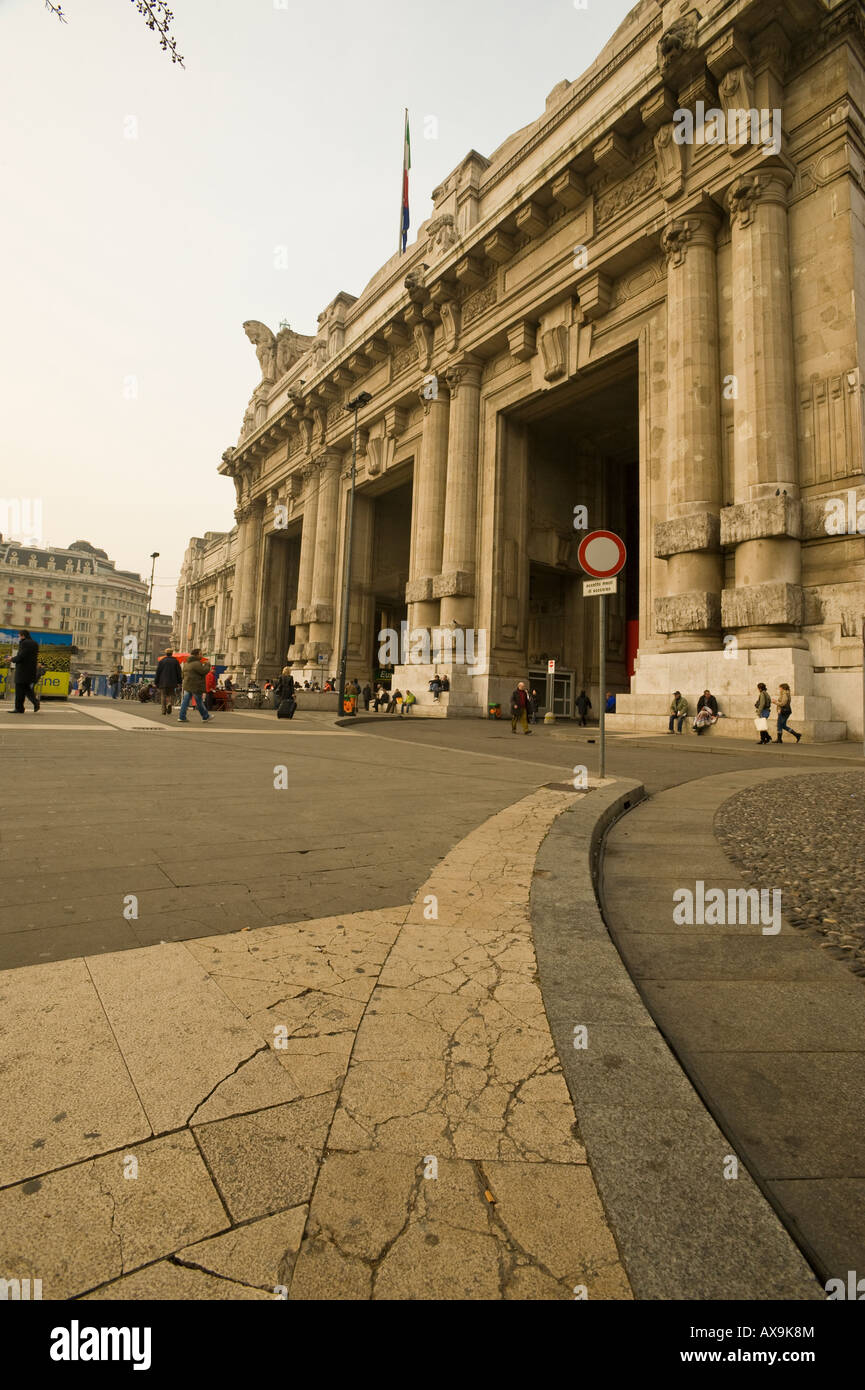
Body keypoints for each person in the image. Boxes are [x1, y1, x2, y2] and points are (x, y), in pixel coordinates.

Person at [5, 629, 40, 714]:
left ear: (23, 635)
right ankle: (35, 702)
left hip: (22, 671)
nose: (19, 638)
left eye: (19, 636)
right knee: (26, 689)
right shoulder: (35, 643)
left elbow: (21, 657)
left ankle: (19, 708)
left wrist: (11, 659)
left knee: (19, 690)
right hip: (30, 670)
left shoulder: (24, 643)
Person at [178, 649, 213, 723]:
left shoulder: (186, 663)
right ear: (196, 655)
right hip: (195, 685)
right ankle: (205, 716)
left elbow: (183, 674)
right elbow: (204, 671)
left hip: (187, 684)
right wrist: (207, 664)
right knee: (199, 701)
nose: (201, 655)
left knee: (185, 701)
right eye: (200, 654)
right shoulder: (196, 663)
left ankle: (182, 716)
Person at [155, 648, 183, 716]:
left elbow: (158, 672)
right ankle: (170, 703)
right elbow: (179, 672)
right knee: (171, 694)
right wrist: (180, 682)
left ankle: (164, 710)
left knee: (163, 695)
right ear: (172, 653)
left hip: (163, 682)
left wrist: (156, 682)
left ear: (165, 653)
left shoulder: (162, 661)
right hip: (173, 682)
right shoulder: (175, 661)